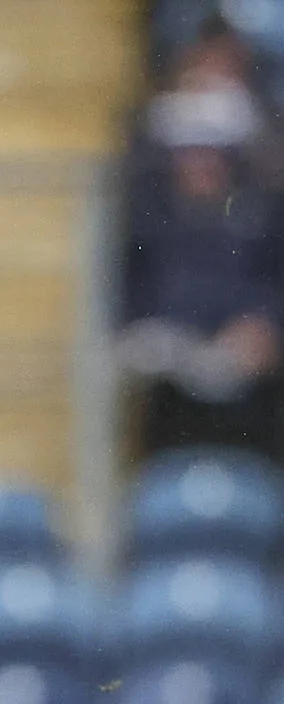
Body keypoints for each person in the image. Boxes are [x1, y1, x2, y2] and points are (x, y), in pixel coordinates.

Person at [119, 119, 284, 458]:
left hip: (247, 380)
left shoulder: (259, 220)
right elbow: (130, 294)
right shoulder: (149, 222)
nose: (200, 168)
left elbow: (271, 284)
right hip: (168, 383)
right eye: (191, 158)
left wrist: (266, 326)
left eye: (210, 158)